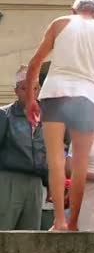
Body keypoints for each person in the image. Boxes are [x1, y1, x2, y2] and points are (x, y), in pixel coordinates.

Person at [24, 0, 94, 231]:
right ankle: (73, 223)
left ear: (73, 10)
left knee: (55, 161)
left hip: (54, 93)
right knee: (80, 165)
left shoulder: (60, 23)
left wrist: (31, 100)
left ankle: (59, 221)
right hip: (85, 96)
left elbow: (34, 63)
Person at [0, 66, 47, 230]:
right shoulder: (4, 115)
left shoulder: (47, 117)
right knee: (4, 231)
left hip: (35, 184)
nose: (30, 92)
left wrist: (51, 184)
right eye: (24, 88)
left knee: (31, 236)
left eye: (34, 88)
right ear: (16, 90)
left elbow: (48, 154)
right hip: (9, 180)